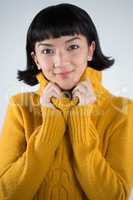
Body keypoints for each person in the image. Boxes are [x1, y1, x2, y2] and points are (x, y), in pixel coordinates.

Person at [0, 3, 133, 200]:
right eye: (47, 51)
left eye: (72, 47)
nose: (60, 61)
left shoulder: (122, 110)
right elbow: (7, 195)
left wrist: (80, 120)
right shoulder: (20, 107)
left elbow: (115, 197)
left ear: (90, 49)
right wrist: (50, 127)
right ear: (35, 59)